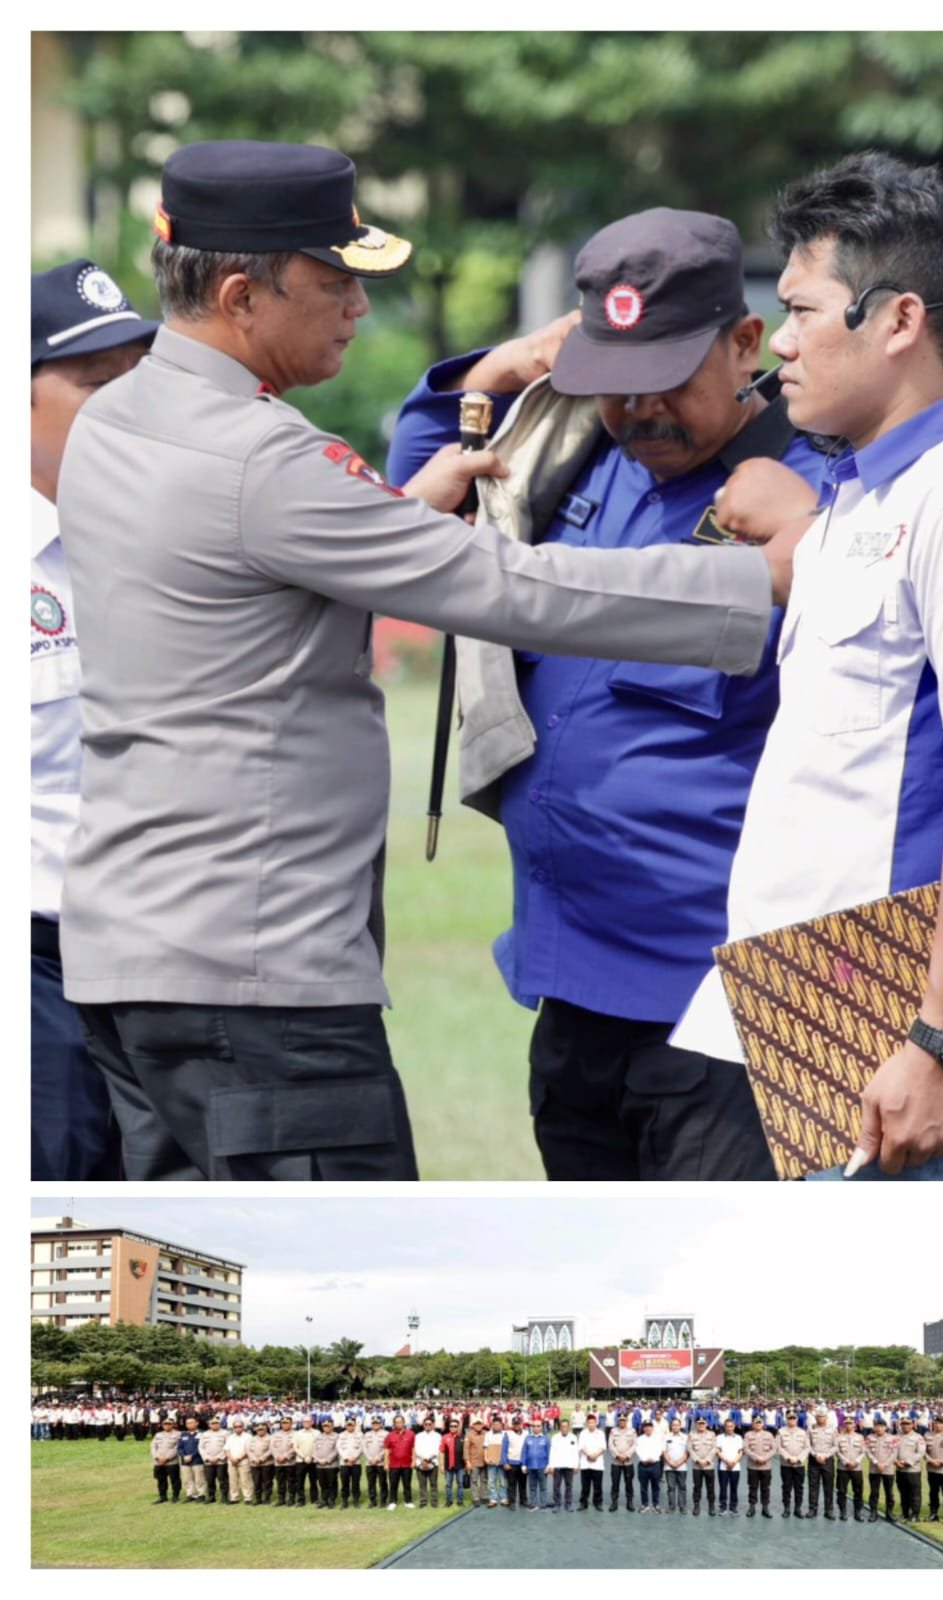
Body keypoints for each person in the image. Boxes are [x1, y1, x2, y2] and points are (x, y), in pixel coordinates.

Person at [55, 141, 798, 1184]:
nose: (357, 306)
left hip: (133, 959)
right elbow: (509, 586)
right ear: (239, 294)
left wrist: (412, 491)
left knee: (210, 1275)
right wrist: (765, 578)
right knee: (330, 1306)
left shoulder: (117, 419)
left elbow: (252, 570)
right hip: (259, 981)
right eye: (334, 280)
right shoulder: (264, 461)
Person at [389, 209, 829, 1183]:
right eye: (611, 386)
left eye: (664, 379)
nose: (639, 412)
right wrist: (498, 369)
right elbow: (412, 493)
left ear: (744, 343)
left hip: (725, 1012)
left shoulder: (811, 497)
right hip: (568, 989)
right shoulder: (585, 453)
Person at [674, 150, 943, 1183]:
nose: (779, 343)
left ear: (897, 321)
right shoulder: (861, 500)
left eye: (804, 309)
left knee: (911, 1338)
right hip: (820, 1010)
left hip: (907, 1035)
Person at [30, 261, 157, 1181]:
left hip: (161, 965)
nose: (125, 406)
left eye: (136, 376)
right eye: (91, 383)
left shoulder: (157, 532)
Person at [865, 1418, 898, 1524]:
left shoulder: (892, 1438)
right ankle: (873, 1512)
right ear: (874, 1427)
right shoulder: (869, 1437)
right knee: (874, 1492)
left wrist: (885, 1464)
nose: (879, 1428)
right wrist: (876, 1462)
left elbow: (894, 1453)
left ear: (886, 1427)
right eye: (877, 1426)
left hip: (888, 1470)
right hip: (874, 1469)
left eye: (881, 1426)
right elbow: (867, 1451)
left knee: (889, 1492)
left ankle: (889, 1513)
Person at [744, 1412, 776, 1518]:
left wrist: (765, 1458)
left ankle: (765, 1508)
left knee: (765, 1487)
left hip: (766, 1466)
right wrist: (756, 1457)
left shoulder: (769, 1435)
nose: (758, 1424)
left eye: (759, 1422)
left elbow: (774, 1449)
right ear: (752, 1424)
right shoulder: (748, 1435)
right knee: (753, 1487)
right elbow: (746, 1449)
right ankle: (752, 1507)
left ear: (763, 1424)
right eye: (756, 1423)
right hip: (753, 1466)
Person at [835, 1416, 867, 1523]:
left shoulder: (860, 1437)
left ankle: (858, 1512)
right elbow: (837, 1451)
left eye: (851, 1423)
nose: (849, 1425)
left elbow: (863, 1451)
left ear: (855, 1424)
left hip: (856, 1468)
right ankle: (842, 1512)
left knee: (858, 1491)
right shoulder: (839, 1437)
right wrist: (846, 1461)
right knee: (842, 1491)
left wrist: (856, 1461)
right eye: (847, 1423)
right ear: (844, 1425)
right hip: (843, 1468)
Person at [807, 1407, 837, 1519]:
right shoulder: (811, 1428)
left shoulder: (832, 1429)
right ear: (816, 1417)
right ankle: (812, 1509)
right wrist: (815, 1455)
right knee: (813, 1485)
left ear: (826, 1417)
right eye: (819, 1416)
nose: (821, 1418)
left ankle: (829, 1510)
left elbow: (835, 1446)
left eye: (823, 1416)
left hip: (827, 1460)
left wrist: (826, 1455)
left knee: (828, 1486)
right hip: (814, 1460)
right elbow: (807, 1445)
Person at [894, 1416, 924, 1523]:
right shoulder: (896, 1437)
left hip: (913, 1470)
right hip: (900, 1470)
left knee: (915, 1493)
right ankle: (905, 1513)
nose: (905, 1426)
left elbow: (920, 1453)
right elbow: (892, 1452)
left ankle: (915, 1514)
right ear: (900, 1425)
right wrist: (896, 1462)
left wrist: (907, 1462)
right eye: (903, 1424)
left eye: (908, 1424)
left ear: (912, 1425)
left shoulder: (918, 1437)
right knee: (903, 1493)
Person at [547, 1416, 579, 1512]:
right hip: (558, 1465)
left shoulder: (573, 1437)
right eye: (562, 1426)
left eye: (566, 1426)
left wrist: (576, 1465)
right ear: (560, 1427)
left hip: (569, 1465)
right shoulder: (555, 1437)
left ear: (568, 1427)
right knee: (556, 1486)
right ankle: (557, 1504)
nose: (564, 1428)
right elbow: (552, 1452)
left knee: (569, 1485)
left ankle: (568, 1503)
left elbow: (575, 1452)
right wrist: (551, 1466)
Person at [689, 1415, 718, 1517]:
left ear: (706, 1424)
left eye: (703, 1423)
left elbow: (714, 1448)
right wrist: (697, 1460)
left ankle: (711, 1505)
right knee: (697, 1487)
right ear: (696, 1424)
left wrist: (707, 1460)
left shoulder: (712, 1434)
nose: (701, 1425)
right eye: (699, 1423)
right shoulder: (691, 1435)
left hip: (709, 1466)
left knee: (710, 1487)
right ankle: (696, 1505)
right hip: (697, 1466)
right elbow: (690, 1449)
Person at [384, 1414, 415, 1510]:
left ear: (404, 1423)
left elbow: (413, 1448)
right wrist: (386, 1463)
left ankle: (408, 1501)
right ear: (394, 1424)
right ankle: (393, 1501)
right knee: (393, 1484)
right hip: (394, 1464)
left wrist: (414, 1460)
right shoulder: (390, 1435)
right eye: (396, 1422)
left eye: (400, 1422)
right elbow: (386, 1450)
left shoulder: (411, 1434)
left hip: (407, 1463)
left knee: (407, 1483)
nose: (399, 1424)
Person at [608, 1412, 637, 1512]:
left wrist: (627, 1455)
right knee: (615, 1483)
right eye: (620, 1420)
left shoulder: (632, 1431)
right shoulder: (613, 1431)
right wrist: (617, 1455)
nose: (622, 1422)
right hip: (616, 1462)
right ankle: (614, 1502)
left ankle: (629, 1502)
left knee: (629, 1483)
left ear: (627, 1421)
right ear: (618, 1421)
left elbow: (634, 1445)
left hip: (628, 1462)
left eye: (624, 1420)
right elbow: (610, 1445)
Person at [635, 1418, 665, 1513]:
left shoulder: (658, 1438)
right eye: (646, 1426)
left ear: (652, 1428)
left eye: (649, 1426)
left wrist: (653, 1458)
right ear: (643, 1428)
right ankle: (645, 1504)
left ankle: (656, 1504)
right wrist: (644, 1459)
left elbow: (660, 1450)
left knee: (655, 1486)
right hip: (643, 1465)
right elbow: (638, 1450)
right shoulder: (639, 1439)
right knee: (643, 1486)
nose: (648, 1428)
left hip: (655, 1464)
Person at [716, 1417, 744, 1517]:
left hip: (735, 1467)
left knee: (734, 1488)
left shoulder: (739, 1438)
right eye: (727, 1426)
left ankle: (733, 1508)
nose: (729, 1428)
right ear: (724, 1427)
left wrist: (734, 1462)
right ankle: (723, 1508)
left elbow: (741, 1452)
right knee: (723, 1488)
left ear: (734, 1427)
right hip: (723, 1466)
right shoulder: (719, 1437)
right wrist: (726, 1461)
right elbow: (718, 1452)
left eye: (731, 1426)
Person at [578, 1413, 606, 1510]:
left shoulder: (601, 1433)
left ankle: (598, 1503)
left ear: (596, 1423)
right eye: (589, 1422)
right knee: (585, 1485)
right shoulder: (583, 1433)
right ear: (587, 1423)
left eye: (593, 1422)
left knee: (597, 1485)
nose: (591, 1424)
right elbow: (581, 1447)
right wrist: (589, 1455)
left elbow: (603, 1448)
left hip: (597, 1464)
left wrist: (595, 1455)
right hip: (585, 1463)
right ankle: (583, 1503)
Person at [520, 1417, 550, 1511]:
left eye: (538, 1426)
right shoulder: (528, 1438)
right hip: (531, 1466)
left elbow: (549, 1453)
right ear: (531, 1427)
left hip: (542, 1467)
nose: (536, 1428)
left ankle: (543, 1504)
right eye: (534, 1426)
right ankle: (533, 1504)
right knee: (532, 1487)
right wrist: (523, 1464)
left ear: (541, 1427)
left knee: (543, 1487)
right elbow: (524, 1452)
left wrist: (549, 1465)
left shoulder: (545, 1439)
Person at [151, 1417, 181, 1504]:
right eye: (165, 1424)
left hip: (172, 1462)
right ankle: (162, 1496)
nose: (167, 1426)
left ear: (173, 1425)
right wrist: (157, 1457)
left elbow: (177, 1447)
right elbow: (153, 1447)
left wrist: (167, 1458)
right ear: (162, 1425)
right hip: (158, 1462)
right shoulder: (158, 1435)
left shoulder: (178, 1434)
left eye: (169, 1424)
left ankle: (175, 1496)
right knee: (161, 1480)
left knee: (174, 1480)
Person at [662, 1415, 689, 1514]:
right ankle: (671, 1506)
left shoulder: (686, 1437)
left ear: (680, 1426)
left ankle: (682, 1506)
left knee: (682, 1487)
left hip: (682, 1467)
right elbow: (664, 1452)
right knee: (671, 1488)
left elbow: (687, 1452)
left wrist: (679, 1462)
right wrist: (670, 1462)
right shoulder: (666, 1437)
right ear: (671, 1426)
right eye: (673, 1425)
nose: (675, 1427)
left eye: (677, 1425)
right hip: (669, 1467)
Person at [224, 1417, 254, 1506]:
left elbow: (248, 1450)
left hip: (243, 1461)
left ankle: (248, 1497)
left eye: (240, 1426)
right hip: (231, 1462)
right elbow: (226, 1449)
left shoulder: (248, 1436)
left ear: (243, 1427)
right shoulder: (230, 1437)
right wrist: (231, 1459)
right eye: (236, 1427)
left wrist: (239, 1459)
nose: (238, 1428)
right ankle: (234, 1497)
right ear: (233, 1428)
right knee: (232, 1481)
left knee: (245, 1480)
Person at [198, 1415, 228, 1503]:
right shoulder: (204, 1434)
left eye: (216, 1423)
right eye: (212, 1423)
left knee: (222, 1480)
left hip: (221, 1461)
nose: (215, 1425)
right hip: (208, 1461)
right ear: (209, 1425)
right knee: (209, 1480)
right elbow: (201, 1447)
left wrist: (219, 1457)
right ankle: (211, 1497)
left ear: (219, 1424)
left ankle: (224, 1497)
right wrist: (207, 1458)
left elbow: (227, 1446)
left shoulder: (225, 1433)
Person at [501, 1416, 529, 1510]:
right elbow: (503, 1450)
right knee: (512, 1484)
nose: (517, 1425)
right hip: (511, 1463)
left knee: (523, 1483)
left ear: (521, 1424)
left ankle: (523, 1500)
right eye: (515, 1424)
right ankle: (512, 1501)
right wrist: (505, 1462)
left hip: (523, 1463)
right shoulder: (508, 1434)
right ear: (512, 1424)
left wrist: (527, 1463)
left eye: (518, 1423)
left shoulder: (526, 1433)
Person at [269, 1415, 297, 1505]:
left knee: (291, 1481)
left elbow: (295, 1447)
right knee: (280, 1481)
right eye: (283, 1423)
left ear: (291, 1424)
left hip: (290, 1462)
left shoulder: (296, 1434)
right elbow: (272, 1447)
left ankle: (291, 1498)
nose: (285, 1425)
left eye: (287, 1423)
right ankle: (281, 1499)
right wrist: (277, 1456)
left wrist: (286, 1456)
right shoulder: (275, 1434)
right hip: (278, 1463)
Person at [337, 1417, 364, 1508]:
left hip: (356, 1463)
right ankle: (345, 1501)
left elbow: (361, 1447)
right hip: (344, 1463)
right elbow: (339, 1448)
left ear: (354, 1425)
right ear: (345, 1425)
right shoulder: (341, 1435)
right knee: (344, 1483)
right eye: (348, 1425)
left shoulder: (360, 1435)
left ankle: (356, 1501)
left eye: (351, 1424)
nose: (350, 1426)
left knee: (355, 1483)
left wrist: (354, 1458)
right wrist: (346, 1459)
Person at [313, 1419, 340, 1508]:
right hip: (319, 1465)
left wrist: (327, 1460)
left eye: (328, 1426)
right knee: (322, 1483)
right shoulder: (318, 1436)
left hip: (331, 1465)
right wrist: (317, 1459)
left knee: (332, 1483)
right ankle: (324, 1499)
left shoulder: (337, 1436)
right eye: (324, 1426)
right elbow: (314, 1449)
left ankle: (332, 1500)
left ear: (332, 1426)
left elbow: (337, 1450)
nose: (326, 1427)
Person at [364, 1417, 389, 1508]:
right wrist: (370, 1458)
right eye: (374, 1423)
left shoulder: (386, 1434)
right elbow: (364, 1447)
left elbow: (386, 1448)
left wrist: (378, 1458)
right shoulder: (367, 1434)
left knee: (382, 1482)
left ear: (381, 1424)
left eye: (377, 1423)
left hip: (380, 1462)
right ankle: (373, 1501)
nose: (375, 1425)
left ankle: (383, 1501)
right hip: (369, 1462)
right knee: (371, 1483)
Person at [463, 1416, 488, 1508]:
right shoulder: (469, 1435)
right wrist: (467, 1461)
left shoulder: (486, 1433)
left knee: (484, 1480)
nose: (478, 1426)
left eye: (479, 1424)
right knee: (474, 1480)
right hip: (473, 1461)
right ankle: (475, 1498)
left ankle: (484, 1496)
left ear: (482, 1425)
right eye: (476, 1424)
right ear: (473, 1425)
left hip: (484, 1461)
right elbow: (466, 1449)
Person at [439, 1416, 464, 1508]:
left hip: (460, 1465)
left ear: (458, 1427)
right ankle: (448, 1501)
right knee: (448, 1484)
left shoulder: (463, 1437)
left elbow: (466, 1452)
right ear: (449, 1427)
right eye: (451, 1426)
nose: (453, 1428)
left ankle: (460, 1501)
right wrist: (441, 1465)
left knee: (460, 1484)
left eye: (455, 1426)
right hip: (448, 1465)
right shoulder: (445, 1437)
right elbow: (441, 1452)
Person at [485, 1417, 507, 1507]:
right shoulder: (488, 1434)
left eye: (498, 1424)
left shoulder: (505, 1434)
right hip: (491, 1461)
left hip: (502, 1461)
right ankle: (493, 1499)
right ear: (492, 1425)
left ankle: (503, 1498)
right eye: (494, 1424)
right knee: (491, 1481)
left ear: (501, 1425)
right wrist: (485, 1458)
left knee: (503, 1481)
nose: (496, 1426)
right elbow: (485, 1447)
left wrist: (505, 1460)